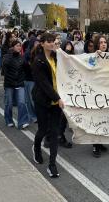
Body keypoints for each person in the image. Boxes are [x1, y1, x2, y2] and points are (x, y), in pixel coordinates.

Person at [31, 32, 65, 178]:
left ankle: (52, 165)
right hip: (43, 101)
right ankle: (36, 147)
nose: (52, 43)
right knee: (43, 130)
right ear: (43, 43)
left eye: (54, 41)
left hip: (57, 102)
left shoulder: (58, 58)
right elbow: (44, 84)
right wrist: (57, 98)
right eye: (49, 41)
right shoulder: (38, 61)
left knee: (54, 133)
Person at [2, 39, 30, 129]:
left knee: (22, 102)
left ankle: (23, 122)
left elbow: (27, 69)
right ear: (13, 47)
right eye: (17, 45)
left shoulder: (22, 58)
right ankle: (9, 120)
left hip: (20, 83)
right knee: (9, 103)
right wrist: (10, 55)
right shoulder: (7, 56)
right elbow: (4, 70)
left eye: (20, 46)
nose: (19, 47)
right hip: (9, 84)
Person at [92, 34, 109, 158]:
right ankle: (95, 146)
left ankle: (101, 142)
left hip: (108, 92)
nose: (103, 44)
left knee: (105, 119)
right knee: (97, 119)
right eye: (101, 42)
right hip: (96, 92)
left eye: (105, 42)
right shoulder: (92, 57)